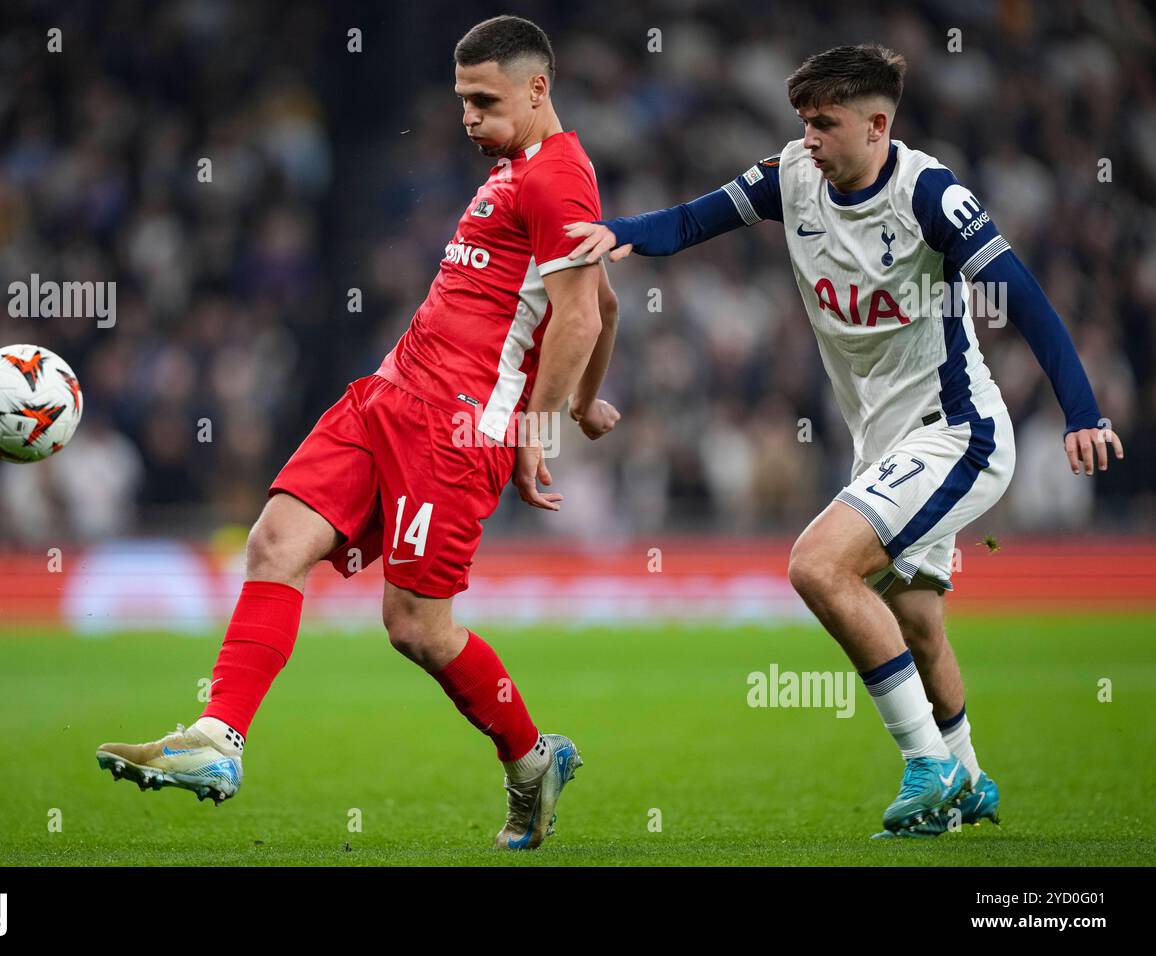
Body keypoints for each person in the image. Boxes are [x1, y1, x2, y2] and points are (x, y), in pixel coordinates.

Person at [565, 43, 1123, 837]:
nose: (811, 139)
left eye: (825, 124)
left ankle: (924, 763)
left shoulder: (929, 192)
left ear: (877, 125)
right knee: (919, 625)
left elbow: (1023, 297)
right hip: (883, 445)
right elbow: (692, 219)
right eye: (804, 122)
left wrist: (1082, 412)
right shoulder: (791, 175)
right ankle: (966, 782)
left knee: (817, 567)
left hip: (956, 432)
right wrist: (616, 231)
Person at [97, 15, 622, 850]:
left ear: (538, 89)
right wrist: (590, 401)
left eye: (485, 102)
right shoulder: (516, 168)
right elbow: (602, 302)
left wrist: (542, 428)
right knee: (274, 541)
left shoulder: (558, 177)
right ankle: (218, 739)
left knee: (416, 627)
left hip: (457, 430)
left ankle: (531, 760)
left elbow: (581, 315)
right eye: (460, 102)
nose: (468, 118)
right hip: (386, 392)